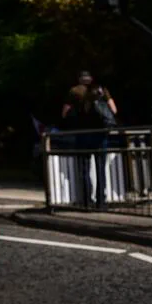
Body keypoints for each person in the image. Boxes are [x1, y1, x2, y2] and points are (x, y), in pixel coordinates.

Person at [61, 71, 118, 208]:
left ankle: (86, 201)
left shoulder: (74, 91)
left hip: (83, 134)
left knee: (84, 169)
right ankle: (101, 202)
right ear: (91, 79)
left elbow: (64, 113)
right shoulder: (101, 90)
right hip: (100, 135)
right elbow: (114, 110)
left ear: (80, 79)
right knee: (100, 169)